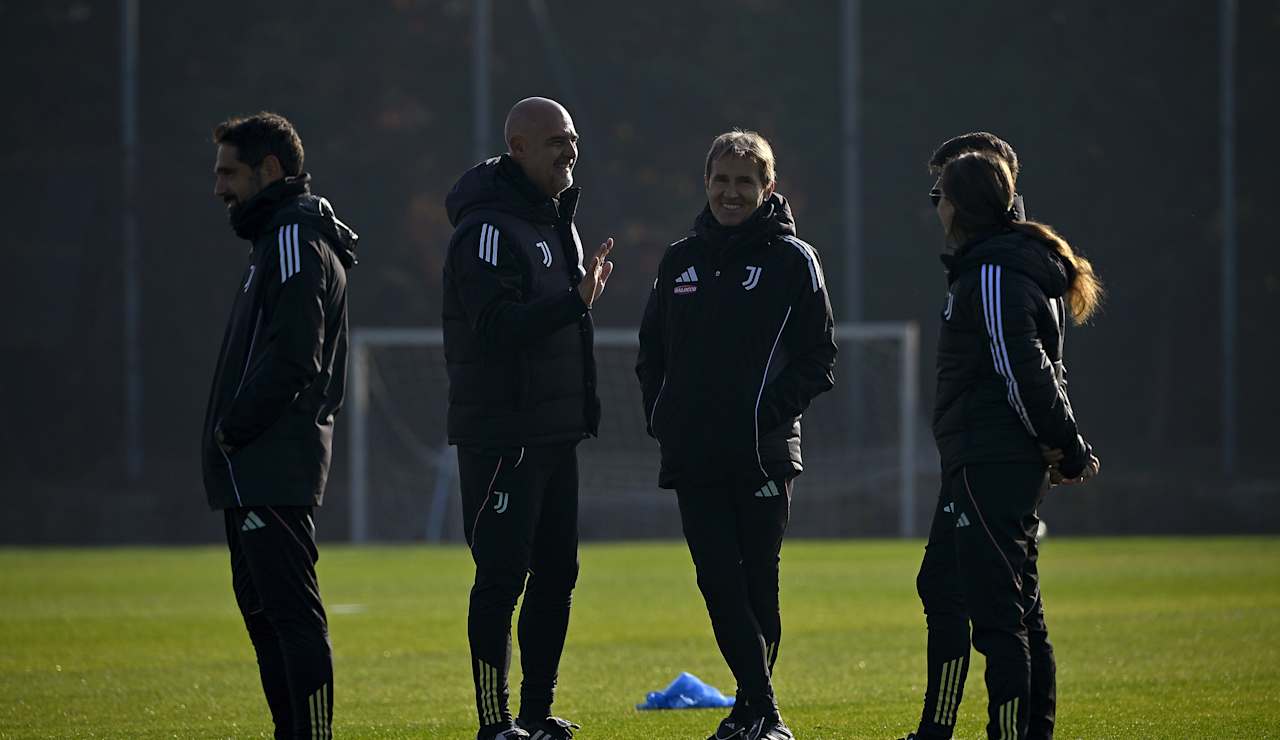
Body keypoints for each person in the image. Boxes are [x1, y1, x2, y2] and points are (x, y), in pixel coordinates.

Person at [636, 130, 837, 740]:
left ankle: (752, 712)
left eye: (744, 182)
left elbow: (818, 359)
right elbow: (652, 353)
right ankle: (763, 713)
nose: (731, 193)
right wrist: (662, 417)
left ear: (767, 188)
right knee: (717, 583)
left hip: (763, 453)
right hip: (694, 455)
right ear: (706, 184)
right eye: (721, 181)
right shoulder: (680, 260)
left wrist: (763, 415)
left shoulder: (793, 260)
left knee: (758, 586)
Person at [898, 149, 1102, 740]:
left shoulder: (993, 272)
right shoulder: (998, 262)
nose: (935, 204)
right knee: (946, 586)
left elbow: (1025, 370)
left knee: (998, 616)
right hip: (976, 458)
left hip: (993, 460)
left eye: (939, 194)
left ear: (958, 206)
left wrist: (1067, 446)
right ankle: (939, 728)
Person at [442, 96, 615, 740]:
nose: (570, 150)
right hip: (503, 437)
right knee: (500, 577)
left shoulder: (555, 224)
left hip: (555, 434)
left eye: (572, 137)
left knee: (557, 576)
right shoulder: (487, 229)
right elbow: (494, 329)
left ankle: (537, 715)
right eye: (555, 141)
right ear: (518, 146)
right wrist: (575, 302)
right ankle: (495, 721)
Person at [202, 112, 358, 739]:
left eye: (229, 172)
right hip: (252, 467)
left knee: (291, 615)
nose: (219, 188)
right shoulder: (274, 239)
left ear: (270, 170)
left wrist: (233, 429)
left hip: (271, 460)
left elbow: (297, 353)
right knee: (265, 616)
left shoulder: (294, 235)